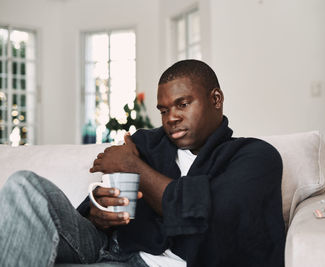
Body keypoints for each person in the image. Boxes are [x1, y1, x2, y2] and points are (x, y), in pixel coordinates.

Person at [0, 59, 285, 267]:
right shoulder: (147, 143)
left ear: (216, 99)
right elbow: (99, 206)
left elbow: (210, 214)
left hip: (142, 262)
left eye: (183, 104)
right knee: (23, 185)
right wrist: (96, 212)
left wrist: (133, 167)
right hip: (106, 245)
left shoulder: (254, 157)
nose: (171, 117)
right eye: (164, 110)